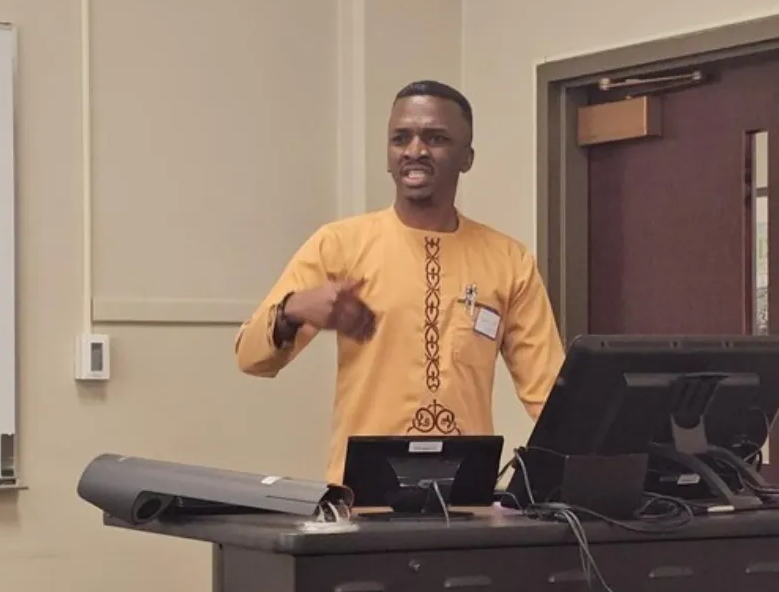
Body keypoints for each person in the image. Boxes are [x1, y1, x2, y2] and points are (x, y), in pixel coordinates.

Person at [234, 80, 565, 484]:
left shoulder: (508, 260)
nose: (415, 150)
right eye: (400, 138)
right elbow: (250, 357)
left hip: (465, 504)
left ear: (467, 158)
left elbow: (551, 396)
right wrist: (293, 310)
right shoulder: (340, 244)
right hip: (361, 502)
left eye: (435, 138)